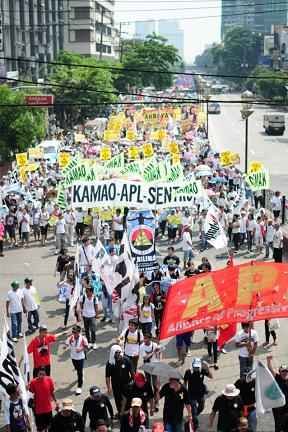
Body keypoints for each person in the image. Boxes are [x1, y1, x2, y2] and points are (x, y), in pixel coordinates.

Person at [184, 357, 212, 430]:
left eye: (197, 367)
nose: (196, 368)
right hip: (191, 394)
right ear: (192, 366)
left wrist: (207, 368)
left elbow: (211, 376)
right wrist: (184, 391)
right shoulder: (188, 372)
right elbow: (185, 382)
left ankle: (193, 416)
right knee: (194, 409)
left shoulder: (202, 371)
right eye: (195, 367)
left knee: (201, 407)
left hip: (201, 394)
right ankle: (195, 425)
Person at [106, 345, 134, 416]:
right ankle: (120, 412)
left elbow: (132, 373)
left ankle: (127, 413)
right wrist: (109, 388)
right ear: (113, 353)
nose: (118, 354)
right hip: (116, 385)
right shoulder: (110, 363)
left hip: (126, 384)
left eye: (119, 352)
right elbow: (107, 377)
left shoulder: (126, 360)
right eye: (116, 353)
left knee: (127, 399)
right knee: (118, 400)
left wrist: (134, 383)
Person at [29, 367, 58, 432]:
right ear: (37, 374)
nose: (41, 376)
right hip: (38, 410)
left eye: (43, 374)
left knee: (50, 426)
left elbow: (52, 392)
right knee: (40, 428)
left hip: (48, 409)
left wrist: (56, 402)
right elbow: (30, 395)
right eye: (40, 374)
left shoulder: (49, 380)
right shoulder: (33, 382)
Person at [64, 325, 88, 395]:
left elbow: (86, 346)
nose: (74, 333)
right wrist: (65, 346)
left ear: (79, 332)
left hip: (80, 357)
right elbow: (66, 343)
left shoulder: (83, 338)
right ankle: (81, 372)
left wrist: (81, 349)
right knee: (77, 369)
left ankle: (79, 386)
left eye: (75, 332)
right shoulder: (71, 337)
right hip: (73, 357)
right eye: (73, 332)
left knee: (79, 372)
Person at [267, 355, 288, 432]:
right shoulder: (277, 378)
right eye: (283, 371)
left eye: (286, 371)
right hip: (278, 407)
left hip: (287, 407)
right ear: (280, 372)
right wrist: (268, 361)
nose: (284, 373)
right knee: (278, 425)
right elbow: (270, 369)